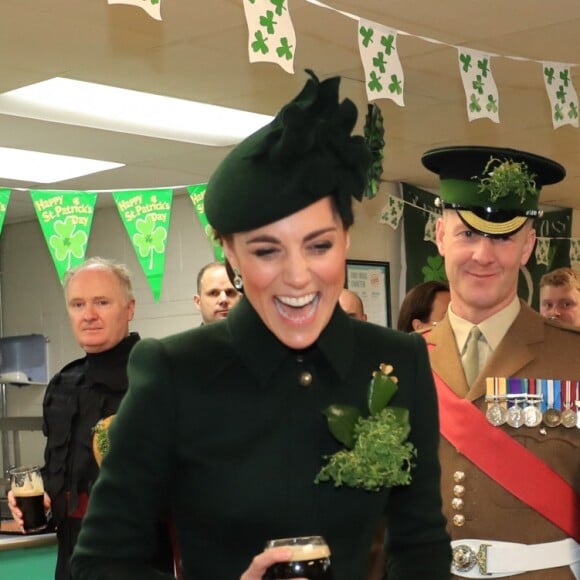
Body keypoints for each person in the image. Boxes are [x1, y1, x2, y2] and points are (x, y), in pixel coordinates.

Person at [71, 71, 451, 580]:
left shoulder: (397, 361)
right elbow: (102, 562)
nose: (297, 276)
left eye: (319, 245)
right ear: (229, 252)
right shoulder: (174, 371)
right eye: (266, 250)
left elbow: (421, 542)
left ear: (346, 238)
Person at [421, 145, 580, 579]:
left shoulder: (575, 358)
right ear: (439, 235)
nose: (483, 255)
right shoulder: (397, 361)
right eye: (467, 234)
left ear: (527, 245)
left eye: (502, 236)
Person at [7, 257, 174, 580]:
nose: (89, 315)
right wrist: (43, 498)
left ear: (129, 308)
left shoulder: (160, 379)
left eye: (102, 302)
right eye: (78, 304)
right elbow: (59, 473)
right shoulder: (62, 385)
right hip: (69, 563)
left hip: (140, 562)